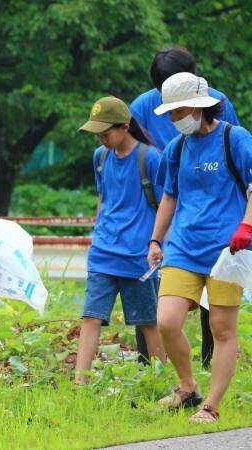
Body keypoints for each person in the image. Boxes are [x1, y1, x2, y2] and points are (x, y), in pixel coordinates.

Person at [148, 72, 252, 423]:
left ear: (198, 107)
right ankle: (188, 385)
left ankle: (211, 405)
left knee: (222, 329)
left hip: (227, 251)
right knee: (166, 320)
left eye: (178, 113)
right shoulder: (177, 149)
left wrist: (247, 224)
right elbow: (169, 196)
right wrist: (155, 239)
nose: (175, 120)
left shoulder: (235, 139)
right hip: (183, 248)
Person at [130, 45, 240, 366]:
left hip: (209, 204)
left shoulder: (217, 104)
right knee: (155, 282)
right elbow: (135, 157)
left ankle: (210, 358)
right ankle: (149, 359)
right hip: (164, 199)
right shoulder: (141, 109)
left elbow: (228, 149)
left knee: (213, 289)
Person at [74, 96, 166, 384]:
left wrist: (157, 243)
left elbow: (166, 204)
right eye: (97, 132)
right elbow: (103, 200)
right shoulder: (99, 158)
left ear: (125, 127)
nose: (101, 138)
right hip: (102, 253)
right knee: (90, 318)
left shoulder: (149, 158)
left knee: (148, 322)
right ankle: (79, 384)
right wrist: (97, 234)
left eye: (106, 132)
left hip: (137, 257)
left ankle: (161, 382)